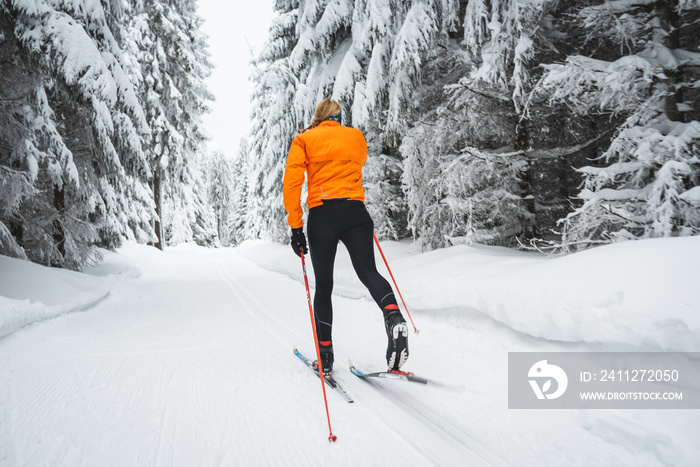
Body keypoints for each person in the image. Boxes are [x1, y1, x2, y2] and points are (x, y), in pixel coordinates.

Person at [282, 98, 409, 375]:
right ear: (340, 117)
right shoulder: (355, 137)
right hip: (355, 211)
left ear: (318, 116)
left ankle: (325, 356)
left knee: (324, 285)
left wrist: (296, 226)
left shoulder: (304, 140)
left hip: (323, 214)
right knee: (367, 271)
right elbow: (359, 160)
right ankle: (392, 314)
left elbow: (292, 183)